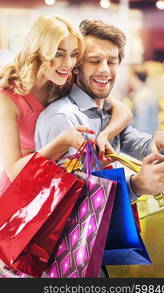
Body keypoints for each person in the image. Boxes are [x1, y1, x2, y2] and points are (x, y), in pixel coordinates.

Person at [35, 19, 164, 200]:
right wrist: (136, 185)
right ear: (76, 67)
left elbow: (133, 141)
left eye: (112, 62)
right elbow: (66, 199)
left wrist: (160, 143)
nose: (105, 70)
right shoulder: (62, 117)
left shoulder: (106, 110)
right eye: (94, 61)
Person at [0, 16, 132, 197]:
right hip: (24, 192)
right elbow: (15, 171)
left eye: (73, 54)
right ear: (39, 51)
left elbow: (122, 111)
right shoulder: (7, 98)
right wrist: (62, 142)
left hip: (58, 186)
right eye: (59, 53)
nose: (68, 63)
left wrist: (105, 135)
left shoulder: (64, 79)